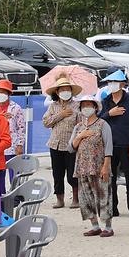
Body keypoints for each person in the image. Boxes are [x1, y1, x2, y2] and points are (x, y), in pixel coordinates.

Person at [98, 70, 129, 219]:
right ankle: (112, 207)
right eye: (109, 82)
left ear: (122, 84)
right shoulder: (105, 101)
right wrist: (110, 113)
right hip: (109, 145)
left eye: (114, 82)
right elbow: (99, 121)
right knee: (110, 178)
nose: (112, 85)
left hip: (127, 144)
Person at [71, 95, 114, 237]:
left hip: (99, 165)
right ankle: (95, 225)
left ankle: (108, 227)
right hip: (82, 167)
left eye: (89, 105)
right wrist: (80, 136)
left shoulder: (103, 124)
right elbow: (71, 147)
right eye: (84, 106)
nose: (86, 108)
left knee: (103, 195)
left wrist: (106, 166)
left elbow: (108, 146)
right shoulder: (78, 127)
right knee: (85, 197)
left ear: (95, 107)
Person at [42, 76, 80, 210]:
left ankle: (76, 198)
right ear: (57, 92)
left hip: (71, 145)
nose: (65, 92)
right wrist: (61, 114)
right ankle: (60, 199)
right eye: (62, 90)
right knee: (57, 174)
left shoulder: (77, 106)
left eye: (67, 89)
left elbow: (81, 124)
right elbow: (46, 122)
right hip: (55, 144)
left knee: (72, 174)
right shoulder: (53, 106)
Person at [0, 79, 26, 163]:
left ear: (9, 94)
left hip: (12, 146)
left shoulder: (16, 108)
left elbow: (22, 129)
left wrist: (20, 145)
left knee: (13, 172)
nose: (0, 94)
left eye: (3, 92)